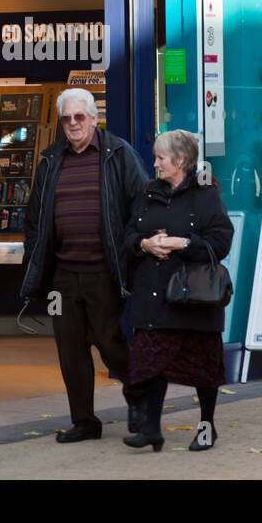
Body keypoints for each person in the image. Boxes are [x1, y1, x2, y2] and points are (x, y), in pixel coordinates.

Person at [21, 87, 149, 442]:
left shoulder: (118, 154)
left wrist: (133, 252)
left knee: (110, 343)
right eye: (67, 118)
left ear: (94, 118)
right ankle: (85, 421)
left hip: (105, 272)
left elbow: (143, 206)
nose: (74, 123)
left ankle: (139, 400)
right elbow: (34, 219)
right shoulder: (50, 160)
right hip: (63, 275)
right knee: (70, 349)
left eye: (81, 116)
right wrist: (37, 259)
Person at [121, 129, 234, 452]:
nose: (154, 164)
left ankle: (206, 428)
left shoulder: (206, 194)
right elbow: (128, 235)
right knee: (150, 364)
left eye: (160, 158)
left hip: (193, 298)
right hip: (154, 294)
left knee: (203, 370)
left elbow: (221, 241)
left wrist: (183, 243)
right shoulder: (148, 192)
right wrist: (145, 244)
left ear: (181, 160)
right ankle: (151, 430)